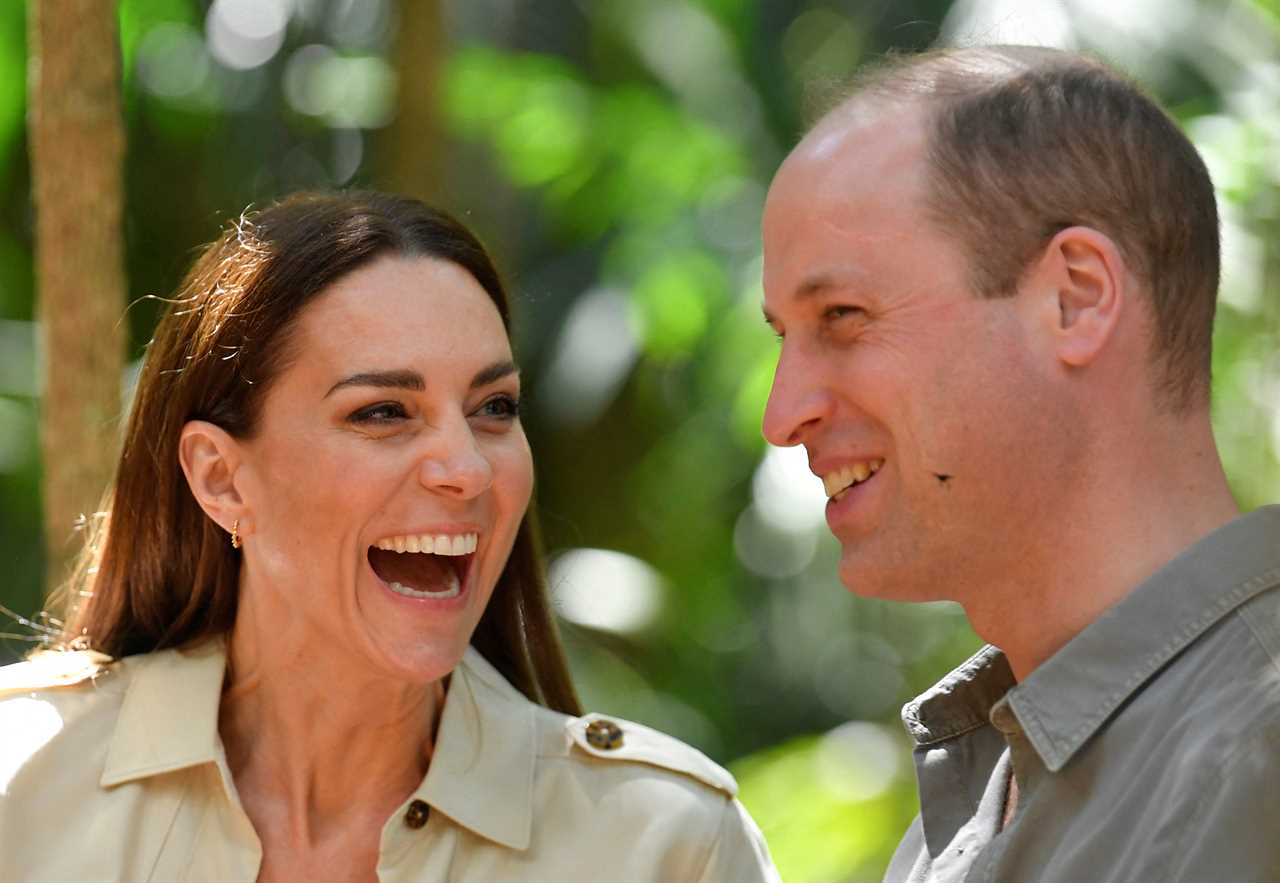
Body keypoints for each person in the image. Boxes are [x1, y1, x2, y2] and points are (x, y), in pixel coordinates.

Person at [0, 191, 779, 883]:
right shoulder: (19, 786)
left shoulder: (666, 847)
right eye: (382, 412)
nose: (468, 469)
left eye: (494, 408)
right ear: (221, 479)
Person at [760, 45, 1280, 882]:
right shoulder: (972, 800)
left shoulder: (1255, 760)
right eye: (784, 337)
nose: (783, 416)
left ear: (1075, 297)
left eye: (844, 317)